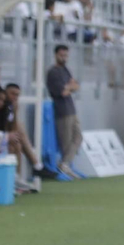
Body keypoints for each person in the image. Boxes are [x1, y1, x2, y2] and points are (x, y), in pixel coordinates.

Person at [47, 44, 83, 179]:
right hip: (62, 111)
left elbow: (75, 86)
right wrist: (70, 87)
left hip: (71, 109)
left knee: (78, 137)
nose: (64, 57)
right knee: (66, 142)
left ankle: (64, 163)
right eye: (61, 55)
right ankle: (64, 165)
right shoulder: (53, 72)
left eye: (65, 55)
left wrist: (70, 87)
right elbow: (63, 92)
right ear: (56, 55)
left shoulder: (65, 70)